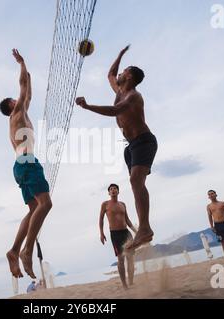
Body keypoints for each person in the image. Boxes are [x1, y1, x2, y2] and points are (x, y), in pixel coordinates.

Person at [76, 45, 157, 251]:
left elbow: (115, 110)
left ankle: (145, 229)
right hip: (131, 146)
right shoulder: (120, 90)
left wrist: (87, 106)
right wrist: (120, 55)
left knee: (135, 180)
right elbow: (110, 74)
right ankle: (144, 229)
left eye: (124, 71)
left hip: (144, 141)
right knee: (136, 183)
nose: (119, 74)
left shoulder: (133, 97)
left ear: (129, 77)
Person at [0, 49, 53, 279]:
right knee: (46, 204)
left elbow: (27, 92)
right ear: (12, 105)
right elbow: (23, 87)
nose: (19, 98)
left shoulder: (21, 116)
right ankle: (26, 251)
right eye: (16, 99)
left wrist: (29, 77)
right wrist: (22, 63)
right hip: (27, 162)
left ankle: (13, 251)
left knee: (34, 209)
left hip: (21, 165)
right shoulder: (16, 114)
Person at [99, 184, 137, 289]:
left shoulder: (123, 204)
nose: (113, 190)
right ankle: (124, 285)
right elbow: (101, 219)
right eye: (111, 189)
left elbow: (127, 220)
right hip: (115, 234)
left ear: (118, 191)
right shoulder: (105, 204)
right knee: (121, 259)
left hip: (126, 232)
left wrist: (135, 230)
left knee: (130, 258)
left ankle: (131, 282)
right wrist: (101, 233)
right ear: (109, 193)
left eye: (115, 188)